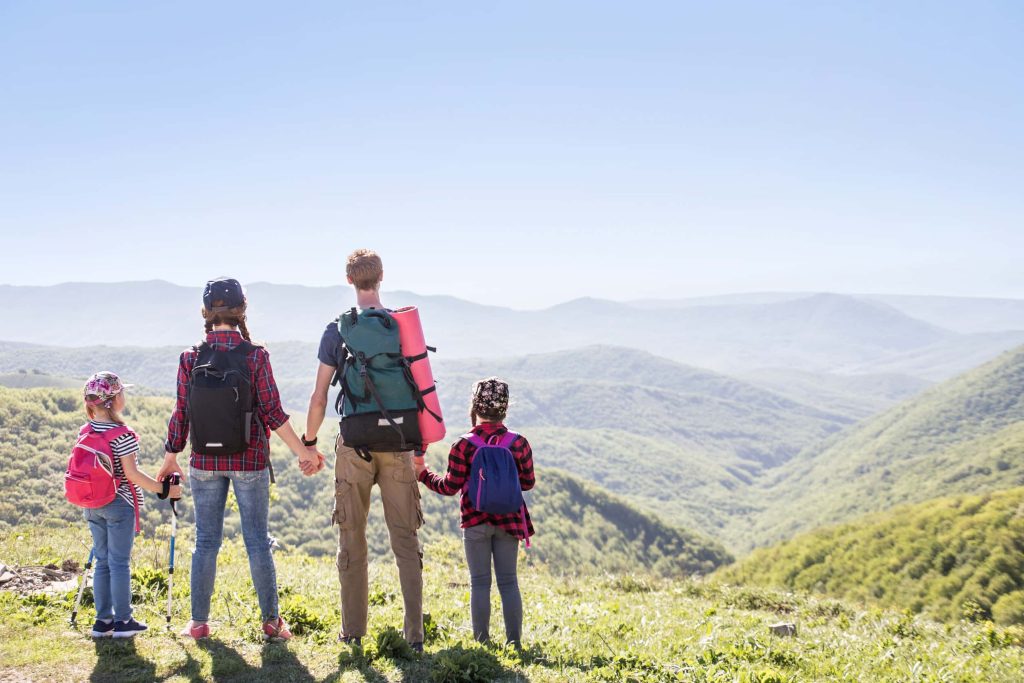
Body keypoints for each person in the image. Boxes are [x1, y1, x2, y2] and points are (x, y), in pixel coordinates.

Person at [157, 277, 324, 641]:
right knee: (256, 541)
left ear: (206, 313)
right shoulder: (255, 356)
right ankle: (271, 623)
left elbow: (181, 411)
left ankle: (198, 623)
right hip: (250, 462)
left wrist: (170, 457)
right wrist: (306, 453)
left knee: (205, 542)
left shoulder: (190, 357)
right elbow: (274, 414)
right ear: (241, 311)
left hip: (203, 462)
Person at [304, 249, 425, 650]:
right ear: (382, 277)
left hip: (354, 444)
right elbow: (421, 387)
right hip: (398, 442)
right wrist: (419, 447)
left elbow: (320, 397)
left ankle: (353, 633)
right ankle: (414, 636)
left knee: (351, 539)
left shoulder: (336, 331)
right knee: (405, 541)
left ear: (349, 281)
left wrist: (309, 442)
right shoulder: (400, 327)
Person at [414, 377, 535, 648]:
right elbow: (527, 483)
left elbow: (449, 486)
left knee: (480, 582)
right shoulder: (519, 443)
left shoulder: (464, 445)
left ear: (475, 406)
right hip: (510, 522)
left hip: (475, 520)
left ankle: (482, 643)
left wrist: (423, 474)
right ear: (505, 407)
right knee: (509, 582)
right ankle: (514, 643)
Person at [79, 371, 182, 638]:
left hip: (91, 504)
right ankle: (124, 622)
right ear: (113, 401)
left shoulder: (86, 430)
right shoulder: (122, 434)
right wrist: (165, 490)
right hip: (118, 504)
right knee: (119, 562)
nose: (125, 395)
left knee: (103, 561)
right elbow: (132, 475)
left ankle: (103, 622)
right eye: (121, 392)